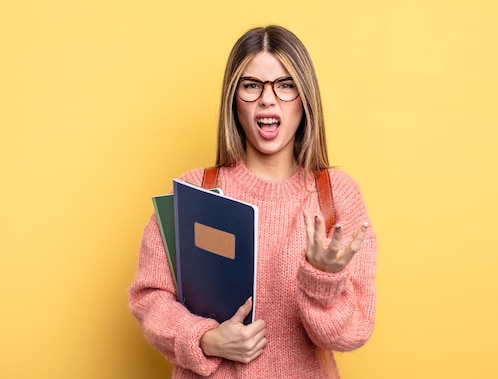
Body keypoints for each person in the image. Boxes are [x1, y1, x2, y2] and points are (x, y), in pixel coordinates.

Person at [129, 25, 377, 378]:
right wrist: (204, 340)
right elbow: (149, 298)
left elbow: (350, 333)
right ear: (234, 99)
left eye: (285, 84)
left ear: (305, 99)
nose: (268, 98)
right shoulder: (193, 190)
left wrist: (322, 278)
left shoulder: (336, 196)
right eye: (251, 85)